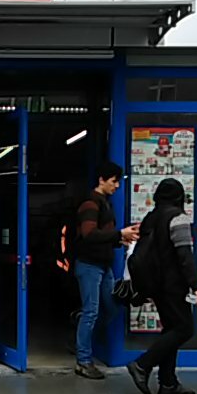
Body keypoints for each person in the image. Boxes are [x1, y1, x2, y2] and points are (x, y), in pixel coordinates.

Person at [126, 178, 197, 394]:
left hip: (155, 284)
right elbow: (184, 256)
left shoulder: (151, 217)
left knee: (171, 329)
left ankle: (168, 383)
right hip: (173, 285)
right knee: (184, 329)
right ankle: (142, 365)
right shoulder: (177, 218)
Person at [74, 161, 140, 380]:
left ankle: (81, 333)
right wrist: (119, 234)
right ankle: (83, 360)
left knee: (110, 308)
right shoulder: (90, 203)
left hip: (103, 265)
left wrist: (118, 240)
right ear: (101, 180)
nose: (117, 186)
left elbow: (100, 236)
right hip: (89, 265)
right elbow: (89, 234)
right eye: (114, 181)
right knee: (92, 311)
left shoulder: (104, 203)